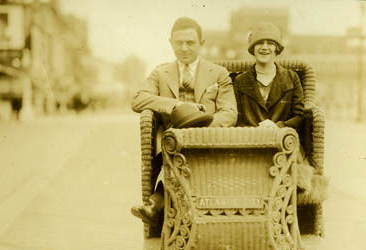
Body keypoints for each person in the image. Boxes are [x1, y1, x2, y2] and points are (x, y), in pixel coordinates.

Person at [131, 17, 238, 228]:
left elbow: (229, 112)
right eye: (179, 43)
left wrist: (204, 129)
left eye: (190, 42)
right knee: (170, 148)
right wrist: (176, 105)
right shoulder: (160, 73)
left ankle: (158, 202)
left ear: (202, 43)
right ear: (170, 42)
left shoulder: (218, 73)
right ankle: (163, 206)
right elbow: (138, 99)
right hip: (173, 139)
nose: (184, 48)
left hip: (208, 138)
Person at [234, 22, 328, 198]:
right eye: (259, 43)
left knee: (295, 180)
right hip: (251, 145)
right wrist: (256, 132)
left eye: (270, 43)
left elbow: (299, 116)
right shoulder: (240, 81)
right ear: (252, 49)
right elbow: (236, 118)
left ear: (277, 49)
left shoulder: (291, 78)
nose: (264, 48)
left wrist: (277, 126)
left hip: (284, 143)